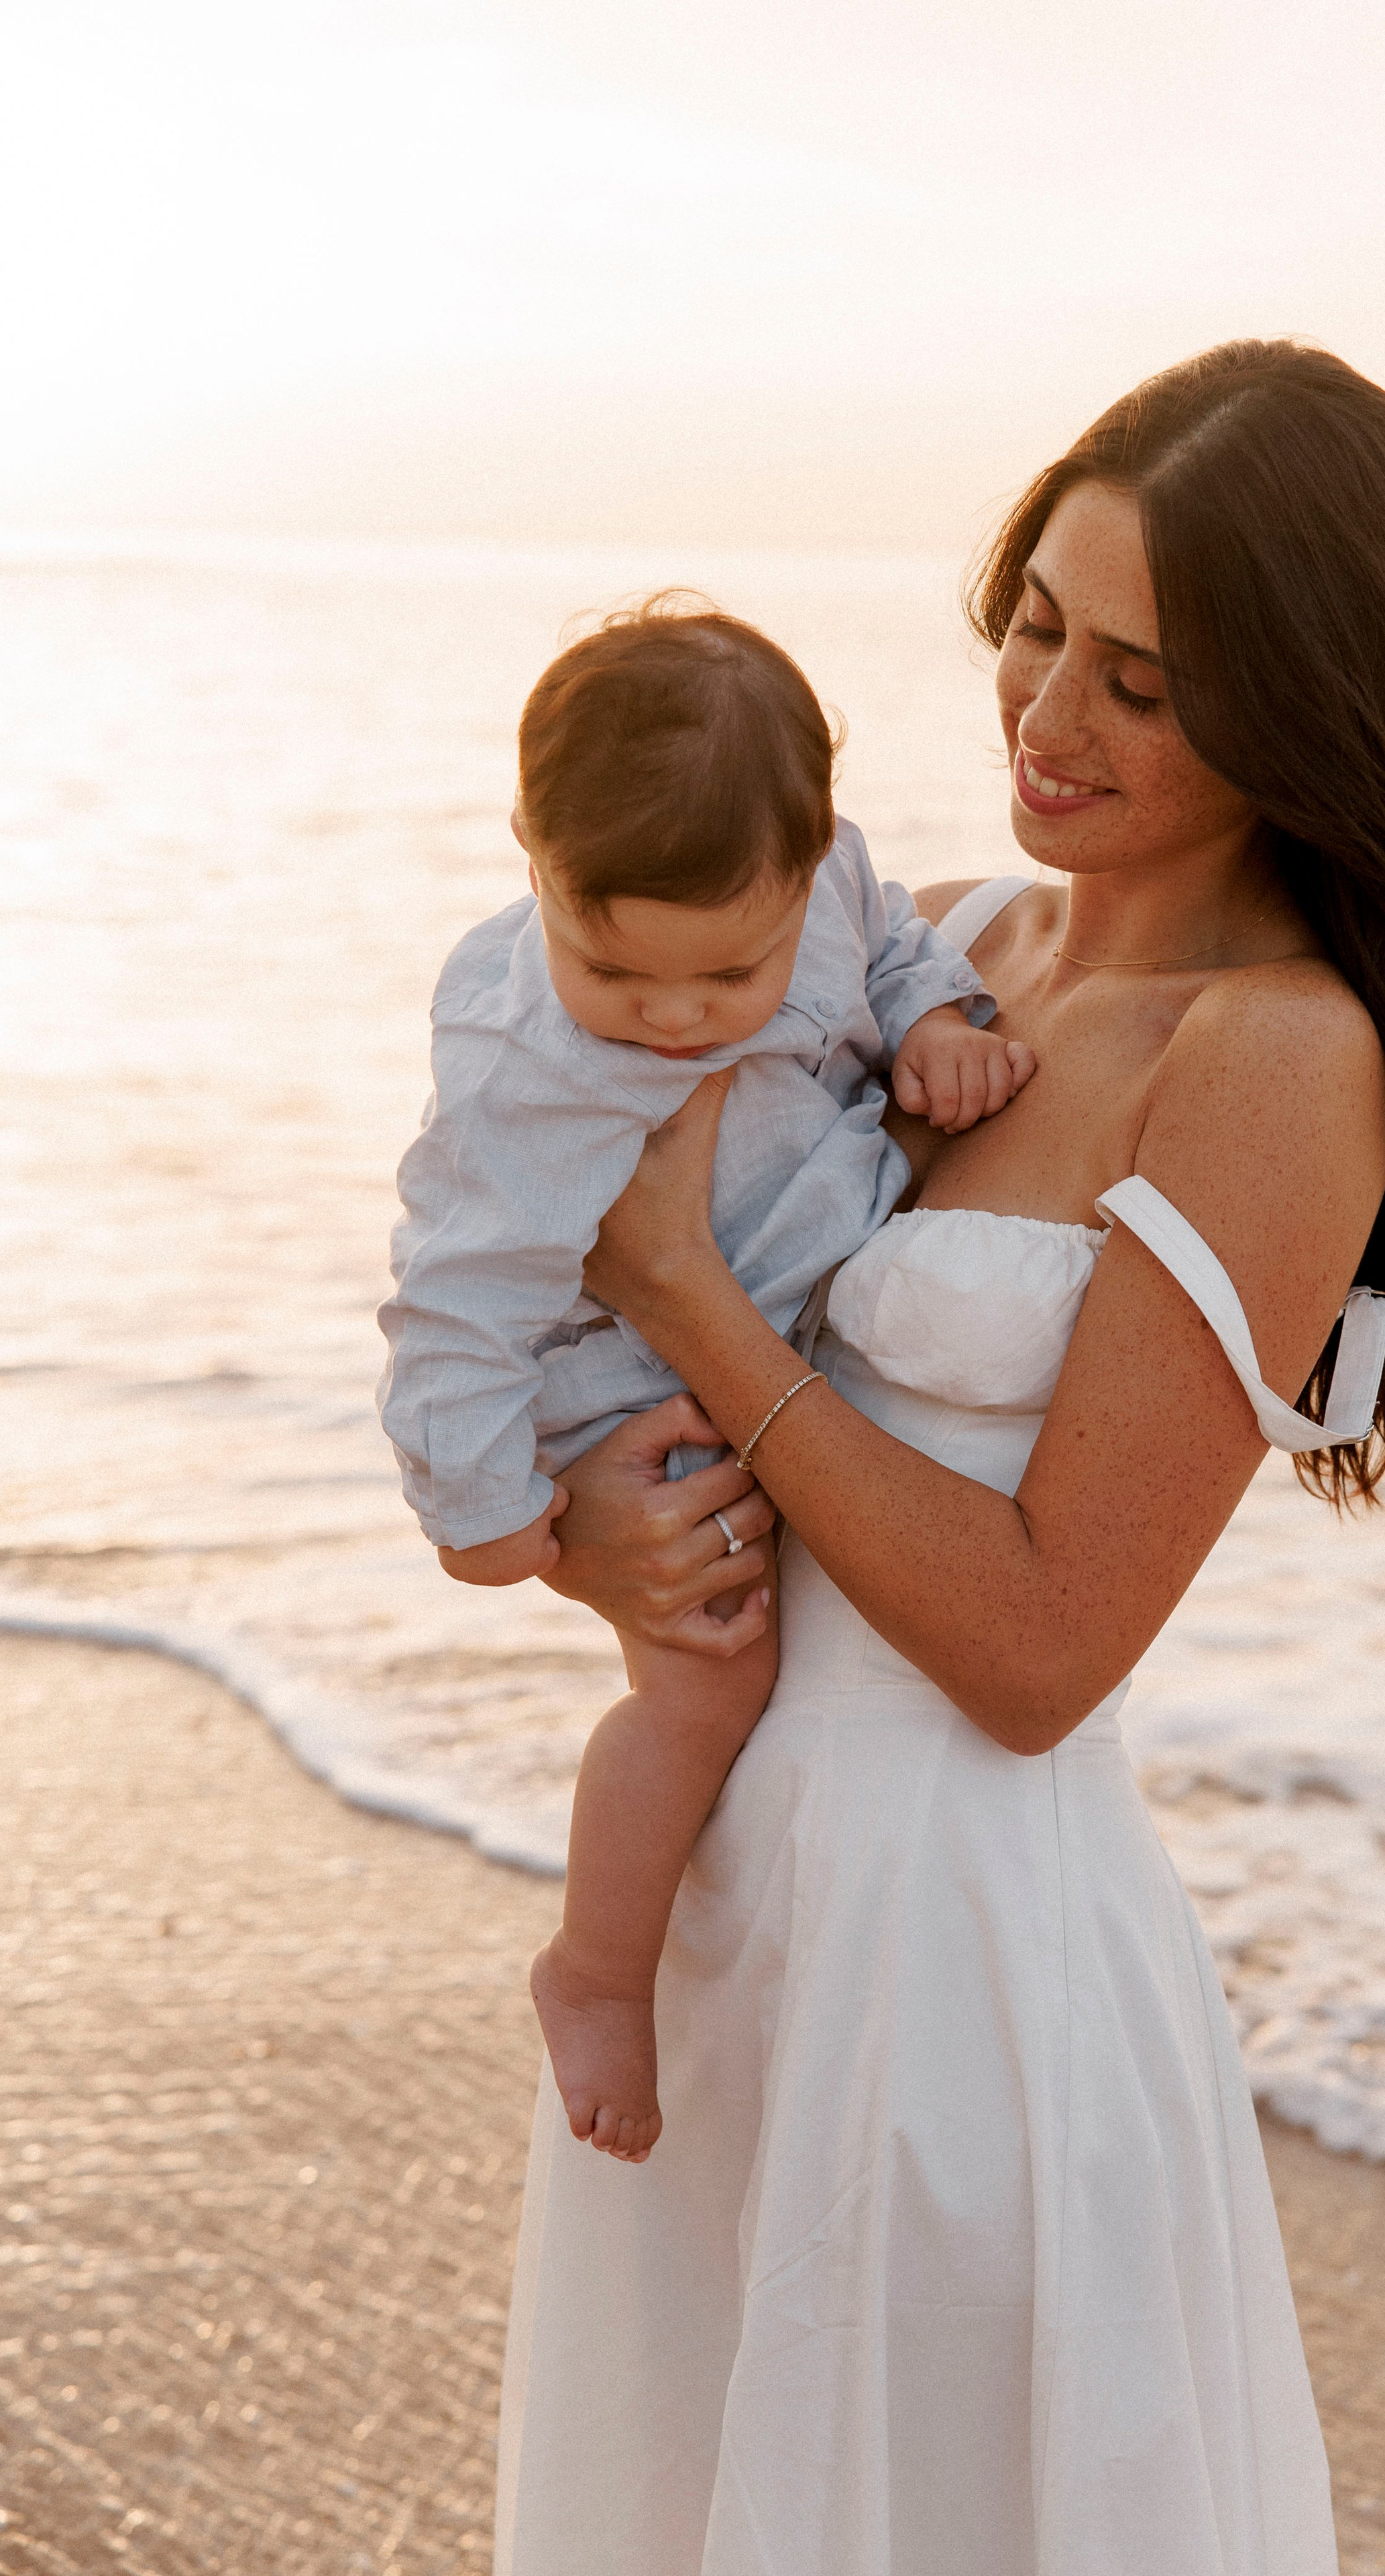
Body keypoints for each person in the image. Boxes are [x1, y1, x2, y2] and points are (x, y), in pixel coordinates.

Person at [497, 341, 1385, 2575]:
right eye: (1039, 625)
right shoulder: (954, 952)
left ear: (1303, 715)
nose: (1048, 714)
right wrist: (593, 1527)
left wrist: (691, 1302)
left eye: (1142, 684)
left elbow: (1044, 1648)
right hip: (726, 1905)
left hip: (950, 1967)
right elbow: (659, 1315)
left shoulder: (1277, 1061)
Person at [378, 603, 1034, 2160]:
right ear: (533, 862)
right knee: (709, 1678)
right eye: (612, 967)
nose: (671, 1019)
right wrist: (484, 1511)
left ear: (803, 867)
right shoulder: (524, 1064)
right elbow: (453, 1297)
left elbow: (889, 940)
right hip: (628, 1376)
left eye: (726, 974)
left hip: (777, 1302)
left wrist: (939, 1016)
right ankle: (597, 1971)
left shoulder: (829, 888)